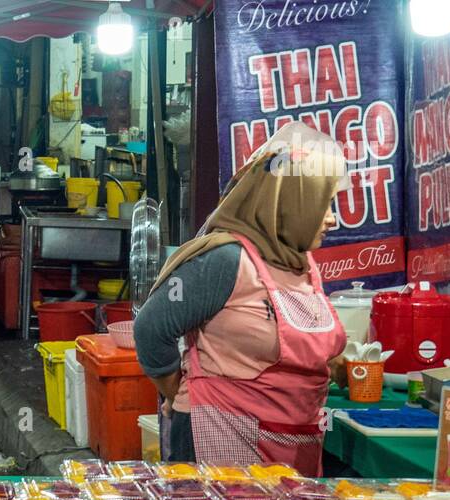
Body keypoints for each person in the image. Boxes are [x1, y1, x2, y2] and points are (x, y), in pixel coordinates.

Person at [133, 122, 348, 476]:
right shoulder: (225, 260)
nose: (331, 219)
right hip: (220, 439)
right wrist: (177, 394)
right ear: (288, 206)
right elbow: (151, 328)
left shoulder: (302, 264)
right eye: (322, 205)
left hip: (295, 443)